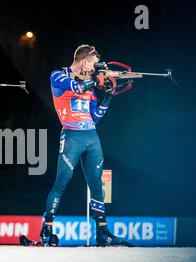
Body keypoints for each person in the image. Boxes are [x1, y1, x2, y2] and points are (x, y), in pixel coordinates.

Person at [41, 45, 130, 246]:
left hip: (91, 136)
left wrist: (108, 96)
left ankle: (102, 231)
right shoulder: (58, 75)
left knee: (97, 184)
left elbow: (95, 117)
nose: (94, 68)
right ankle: (47, 228)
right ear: (83, 61)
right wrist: (94, 81)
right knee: (62, 181)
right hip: (72, 136)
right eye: (92, 64)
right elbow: (76, 87)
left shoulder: (90, 86)